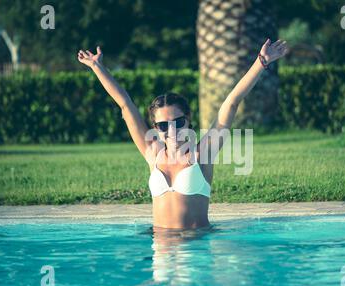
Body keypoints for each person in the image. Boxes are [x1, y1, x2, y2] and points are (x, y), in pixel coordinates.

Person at [77, 38, 288, 229]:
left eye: (178, 122)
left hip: (195, 250)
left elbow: (231, 103)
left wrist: (261, 62)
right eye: (162, 125)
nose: (171, 131)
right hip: (160, 251)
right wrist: (97, 67)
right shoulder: (152, 154)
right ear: (155, 128)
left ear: (188, 119)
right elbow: (125, 104)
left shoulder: (202, 154)